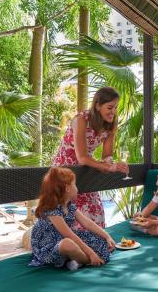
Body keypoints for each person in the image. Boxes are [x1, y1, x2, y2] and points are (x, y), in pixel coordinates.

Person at [52, 87, 129, 229]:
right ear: (98, 106)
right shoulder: (81, 119)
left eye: (116, 107)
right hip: (64, 171)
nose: (113, 112)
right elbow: (81, 157)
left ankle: (95, 247)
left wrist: (113, 165)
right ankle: (73, 249)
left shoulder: (111, 124)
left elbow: (107, 156)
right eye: (110, 107)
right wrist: (108, 166)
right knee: (69, 216)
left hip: (86, 169)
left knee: (96, 212)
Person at [29, 167, 116, 270]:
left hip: (63, 238)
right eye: (74, 184)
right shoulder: (52, 210)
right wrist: (92, 254)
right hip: (49, 246)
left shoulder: (69, 205)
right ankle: (88, 260)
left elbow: (87, 223)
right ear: (67, 188)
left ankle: (74, 260)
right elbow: (69, 235)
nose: (76, 187)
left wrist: (106, 236)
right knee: (68, 244)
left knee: (98, 239)